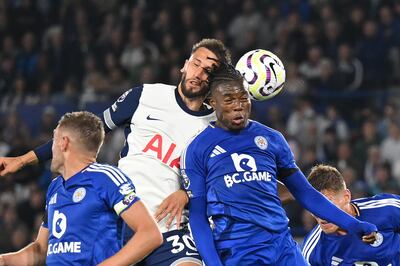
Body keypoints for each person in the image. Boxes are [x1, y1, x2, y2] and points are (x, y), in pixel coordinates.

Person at [0, 38, 231, 265]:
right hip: (122, 224)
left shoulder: (216, 127)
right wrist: (22, 160)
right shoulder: (145, 97)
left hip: (171, 230)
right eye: (196, 63)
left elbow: (222, 182)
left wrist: (186, 194)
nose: (199, 73)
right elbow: (82, 133)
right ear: (185, 64)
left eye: (209, 70)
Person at [180, 63, 378, 265]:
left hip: (283, 248)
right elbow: (198, 217)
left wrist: (354, 224)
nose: (238, 105)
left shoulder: (271, 139)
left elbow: (305, 193)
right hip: (239, 252)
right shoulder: (197, 149)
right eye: (229, 100)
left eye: (243, 98)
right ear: (213, 102)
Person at [0, 111, 162, 265]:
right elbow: (41, 250)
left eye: (54, 140)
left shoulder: (106, 178)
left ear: (64, 143)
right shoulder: (55, 187)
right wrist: (4, 260)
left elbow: (150, 234)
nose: (51, 148)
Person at [302, 164, 400, 265]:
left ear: (346, 197)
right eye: (314, 207)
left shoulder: (387, 208)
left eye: (328, 204)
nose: (321, 214)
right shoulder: (313, 252)